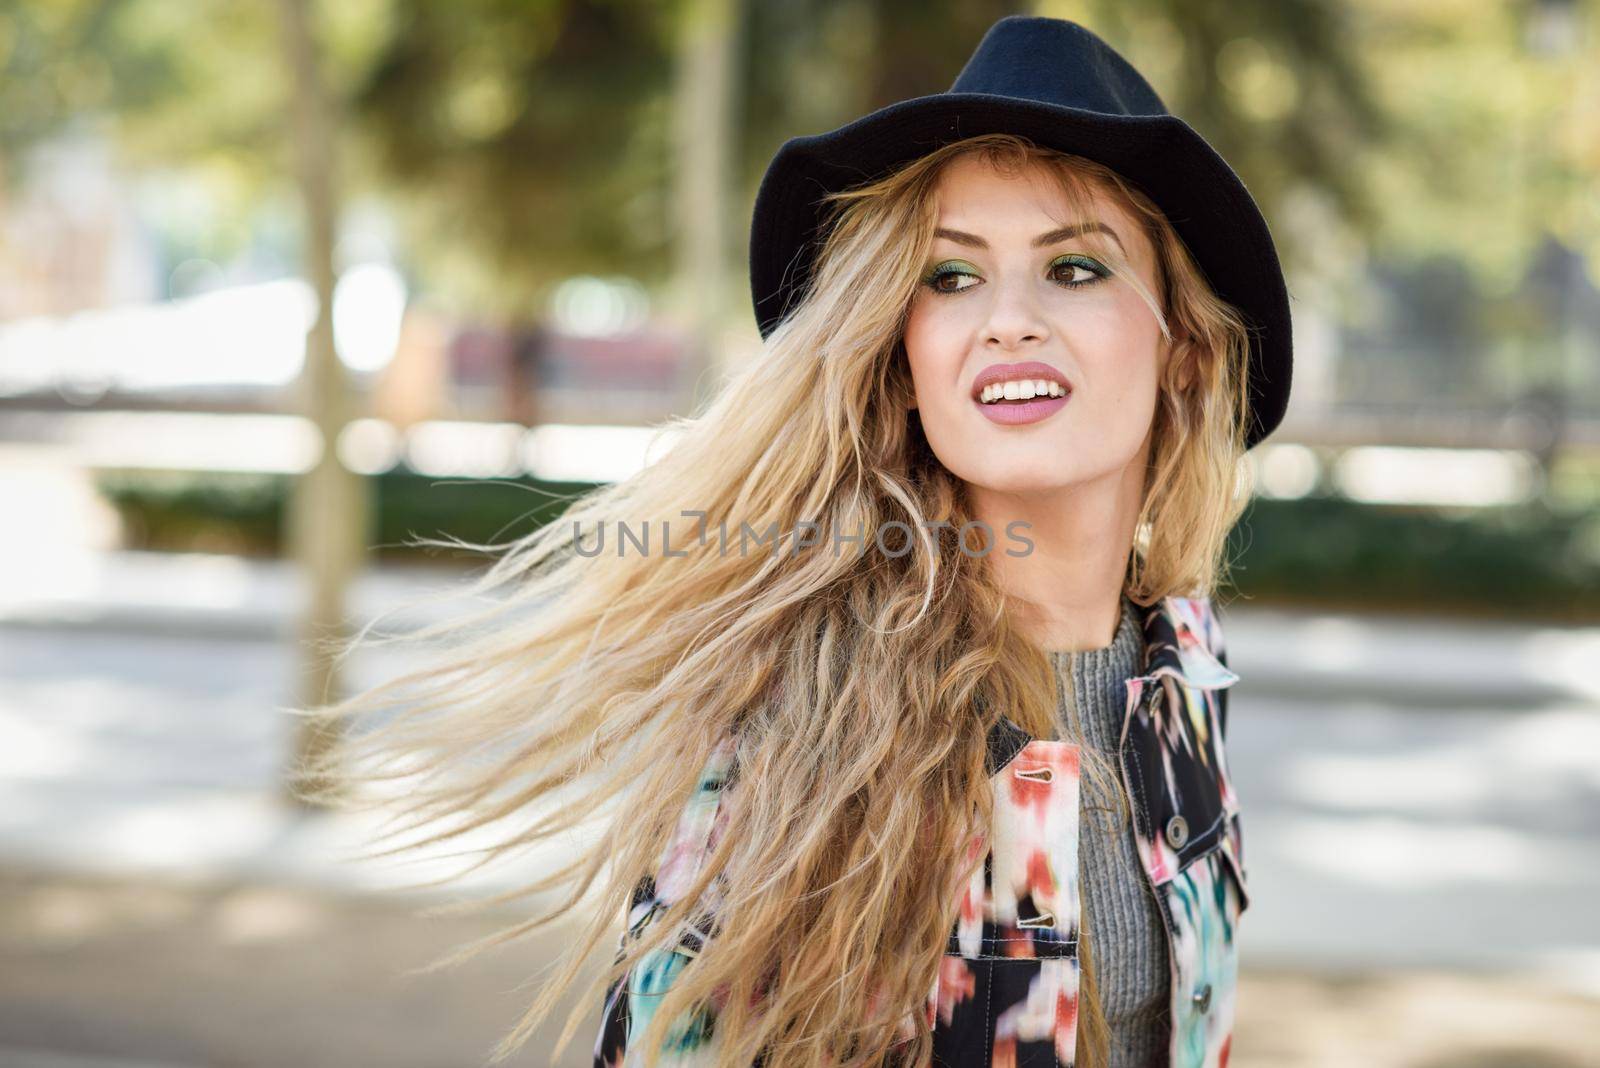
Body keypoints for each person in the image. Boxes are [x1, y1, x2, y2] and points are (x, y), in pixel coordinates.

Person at [299, 15, 1292, 1068]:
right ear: (902, 355)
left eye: (1076, 268)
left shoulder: (1179, 668)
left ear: (1183, 348)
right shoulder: (810, 711)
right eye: (949, 276)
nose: (1007, 319)